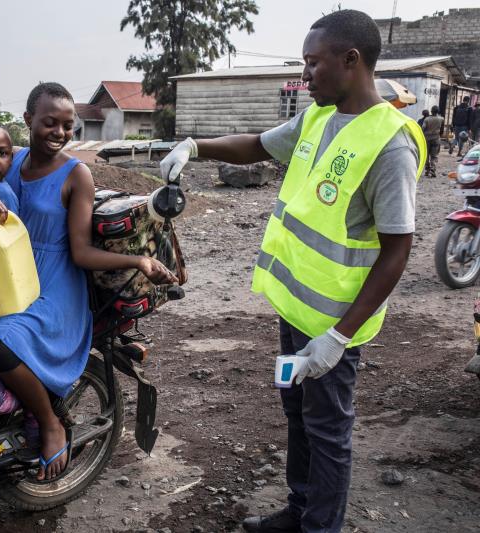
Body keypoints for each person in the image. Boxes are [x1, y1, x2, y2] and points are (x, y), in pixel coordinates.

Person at [160, 10, 424, 533]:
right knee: (298, 415)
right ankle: (300, 510)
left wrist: (338, 338)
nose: (305, 75)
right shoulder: (317, 118)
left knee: (328, 431)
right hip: (294, 309)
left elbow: (397, 251)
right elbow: (259, 144)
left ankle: (319, 526)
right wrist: (194, 147)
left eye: (312, 63)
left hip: (333, 326)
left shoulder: (389, 144)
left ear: (351, 60)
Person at [0, 82, 176, 481]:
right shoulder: (10, 159)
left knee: (0, 343)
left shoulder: (77, 174)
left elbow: (81, 252)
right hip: (10, 275)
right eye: (49, 122)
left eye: (67, 125)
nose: (59, 132)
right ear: (27, 120)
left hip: (54, 288)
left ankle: (50, 422)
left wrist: (139, 260)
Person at [421, 105, 445, 178]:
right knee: (434, 156)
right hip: (436, 139)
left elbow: (423, 128)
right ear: (438, 111)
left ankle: (427, 170)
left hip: (427, 139)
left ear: (431, 111)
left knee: (426, 155)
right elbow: (442, 130)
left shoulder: (427, 119)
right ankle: (433, 169)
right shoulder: (441, 119)